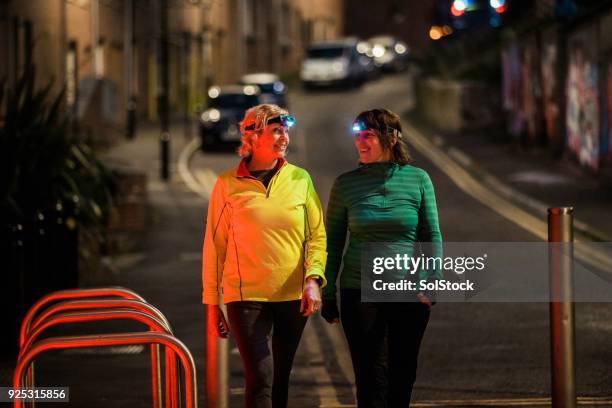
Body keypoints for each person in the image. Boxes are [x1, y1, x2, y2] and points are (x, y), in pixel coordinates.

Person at [202, 103, 327, 408]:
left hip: (292, 295)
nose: (284, 137)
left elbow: (316, 235)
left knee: (281, 378)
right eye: (276, 131)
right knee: (261, 376)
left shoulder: (301, 179)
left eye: (286, 131)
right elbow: (214, 245)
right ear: (253, 136)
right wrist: (212, 303)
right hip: (246, 297)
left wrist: (313, 279)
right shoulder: (227, 185)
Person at [321, 108, 442, 407]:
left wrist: (432, 280)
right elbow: (333, 242)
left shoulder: (418, 179)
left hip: (408, 290)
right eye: (357, 136)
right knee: (371, 376)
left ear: (391, 138)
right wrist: (327, 292)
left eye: (368, 136)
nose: (360, 143)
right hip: (359, 291)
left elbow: (430, 235)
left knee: (403, 374)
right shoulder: (345, 184)